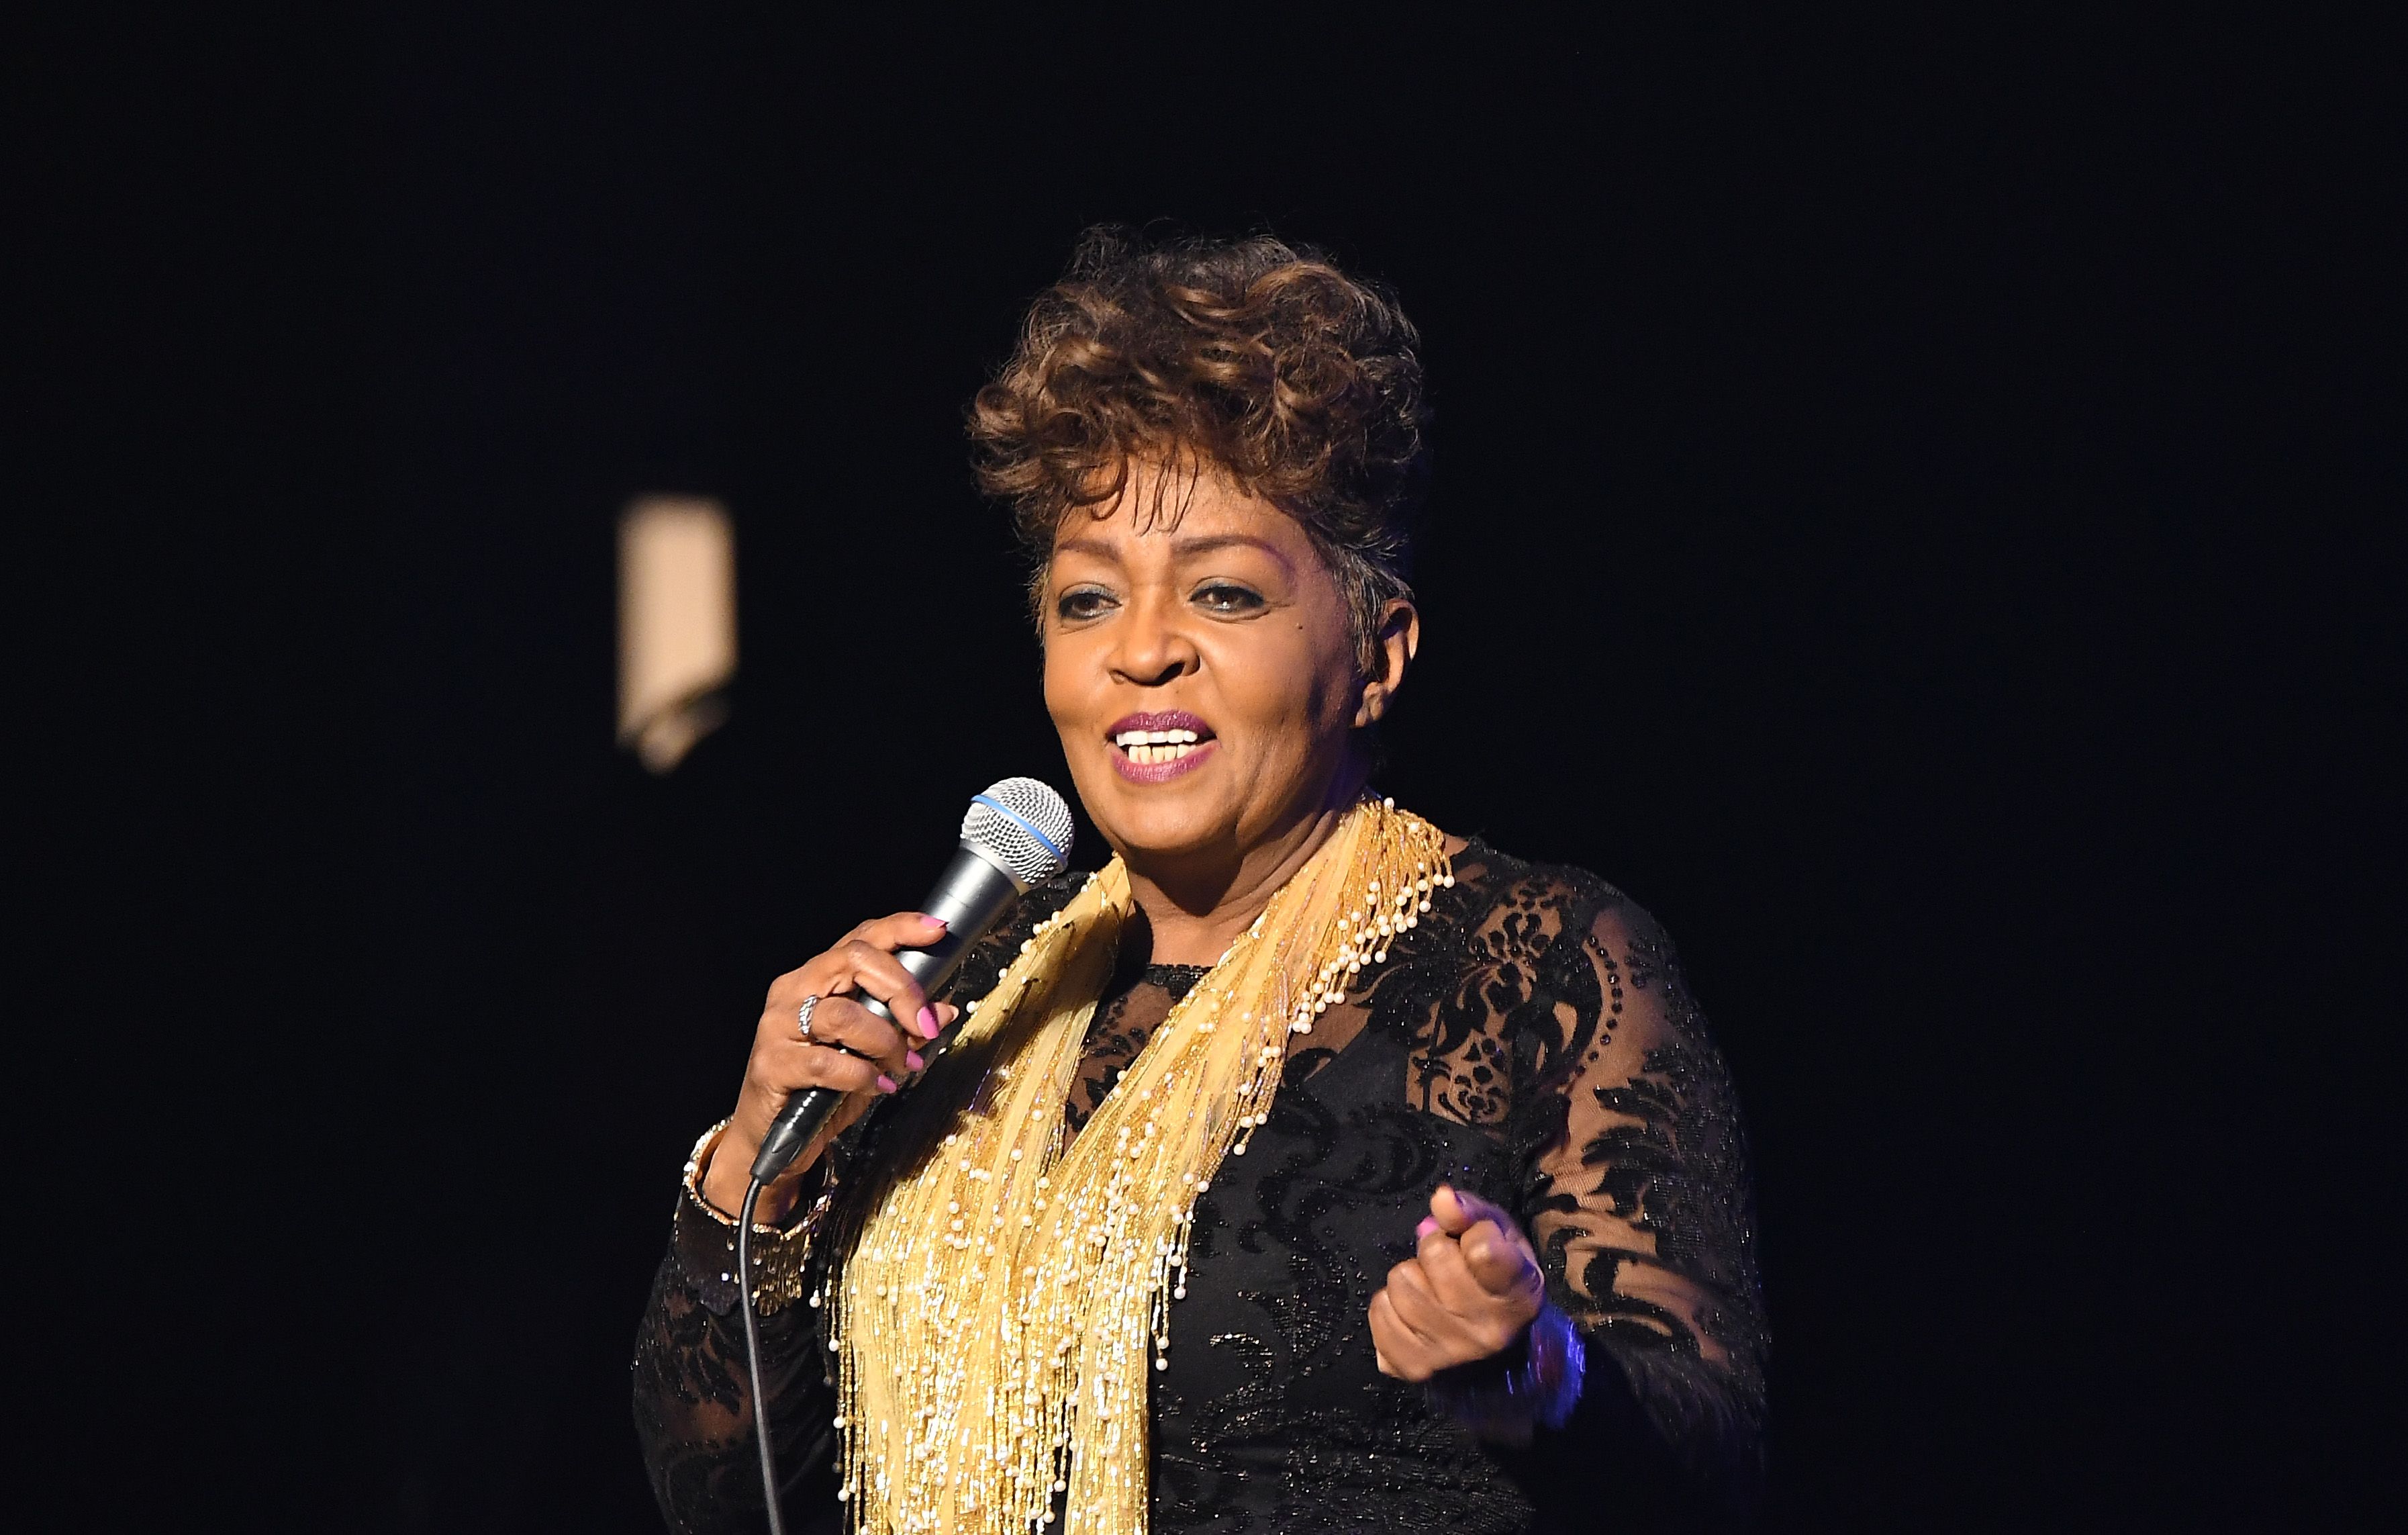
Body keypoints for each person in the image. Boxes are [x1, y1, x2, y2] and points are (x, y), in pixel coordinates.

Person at [632, 230, 1766, 1534]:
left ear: (1379, 653)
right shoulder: (969, 998)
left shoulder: (1534, 964)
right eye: (1087, 601)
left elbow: (1715, 1472)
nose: (1144, 651)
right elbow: (719, 1494)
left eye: (1223, 594)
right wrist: (755, 1172)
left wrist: (1537, 1375)